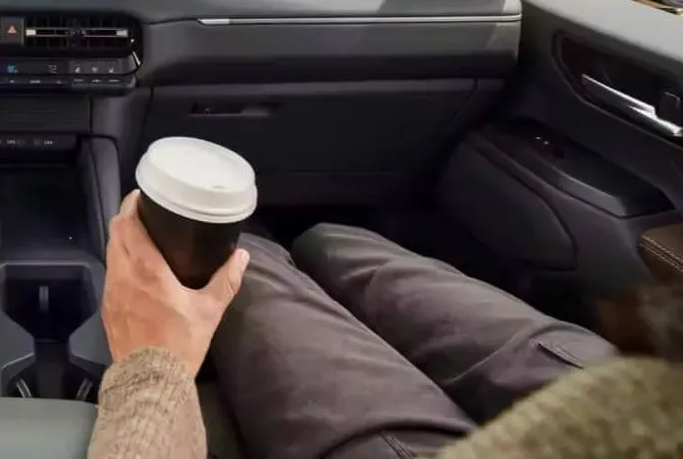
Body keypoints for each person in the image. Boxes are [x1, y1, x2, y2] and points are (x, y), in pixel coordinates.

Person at [87, 191, 683, 459]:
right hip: (642, 381)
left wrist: (152, 369)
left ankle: (277, 255)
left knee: (252, 261)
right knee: (334, 243)